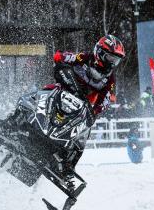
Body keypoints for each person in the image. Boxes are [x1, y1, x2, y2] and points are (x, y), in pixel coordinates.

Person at [53, 34, 126, 176]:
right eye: (110, 58)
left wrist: (95, 111)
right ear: (100, 53)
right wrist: (62, 59)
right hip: (65, 90)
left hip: (82, 107)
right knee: (48, 91)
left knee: (84, 132)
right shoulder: (83, 58)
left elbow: (106, 99)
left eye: (115, 60)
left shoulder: (109, 79)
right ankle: (19, 116)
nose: (112, 63)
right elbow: (59, 57)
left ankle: (68, 167)